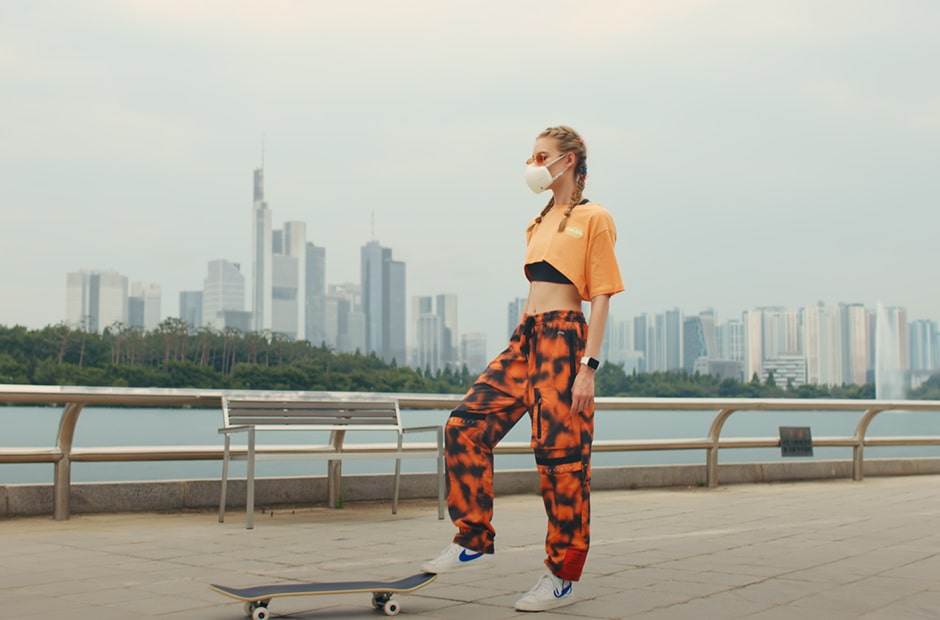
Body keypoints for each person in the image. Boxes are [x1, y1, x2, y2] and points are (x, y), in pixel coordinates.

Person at [421, 125, 624, 612]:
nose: (533, 164)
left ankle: (561, 575)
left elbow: (599, 297)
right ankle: (471, 536)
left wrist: (587, 367)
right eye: (531, 155)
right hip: (527, 338)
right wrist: (520, 344)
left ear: (569, 160)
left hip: (564, 340)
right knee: (464, 426)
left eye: (542, 155)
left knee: (561, 461)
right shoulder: (538, 222)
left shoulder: (594, 217)